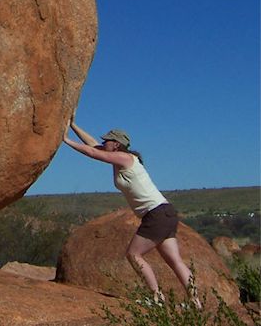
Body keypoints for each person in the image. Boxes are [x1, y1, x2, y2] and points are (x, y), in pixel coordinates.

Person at [63, 120, 200, 306]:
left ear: (117, 144)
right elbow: (92, 144)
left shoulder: (125, 158)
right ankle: (195, 301)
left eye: (107, 141)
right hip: (165, 212)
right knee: (174, 260)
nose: (104, 143)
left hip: (156, 214)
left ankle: (156, 297)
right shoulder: (118, 157)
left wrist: (66, 140)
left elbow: (93, 152)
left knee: (134, 254)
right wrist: (73, 126)